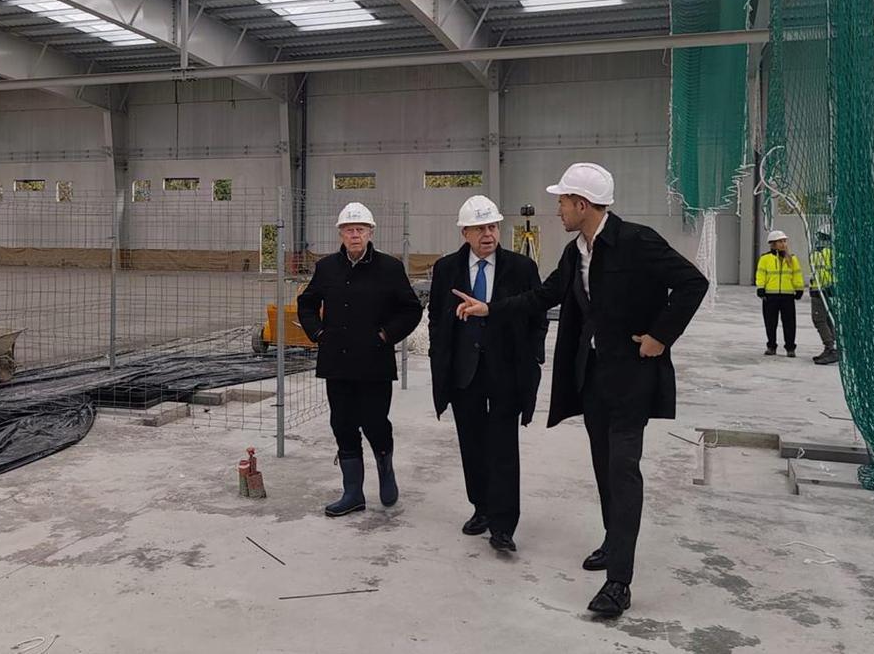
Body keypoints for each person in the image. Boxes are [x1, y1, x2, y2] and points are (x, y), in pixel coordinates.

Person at [453, 163, 708, 618]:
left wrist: (660, 335)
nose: (557, 210)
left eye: (563, 202)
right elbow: (544, 295)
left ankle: (619, 584)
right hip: (593, 379)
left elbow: (693, 282)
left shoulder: (638, 241)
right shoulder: (577, 252)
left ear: (583, 204)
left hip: (632, 379)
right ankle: (614, 542)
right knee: (605, 468)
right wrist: (490, 309)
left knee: (624, 470)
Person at [428, 195, 547, 554]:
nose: (488, 234)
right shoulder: (446, 269)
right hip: (465, 373)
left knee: (504, 447)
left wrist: (533, 358)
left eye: (492, 226)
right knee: (472, 444)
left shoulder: (521, 268)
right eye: (479, 228)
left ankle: (503, 525)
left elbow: (537, 317)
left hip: (506, 373)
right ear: (464, 232)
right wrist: (441, 358)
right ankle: (481, 507)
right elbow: (436, 317)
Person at [297, 202, 423, 517]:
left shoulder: (389, 268)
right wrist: (319, 334)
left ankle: (385, 468)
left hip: (375, 363)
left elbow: (411, 308)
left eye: (360, 230)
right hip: (337, 363)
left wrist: (385, 335)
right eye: (349, 230)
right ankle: (353, 492)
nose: (355, 235)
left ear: (370, 232)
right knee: (342, 423)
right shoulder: (326, 268)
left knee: (375, 422)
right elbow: (307, 303)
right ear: (340, 233)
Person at [755, 231, 804, 357]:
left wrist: (799, 288)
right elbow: (761, 274)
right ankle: (771, 346)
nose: (783, 244)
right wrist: (760, 287)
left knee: (789, 323)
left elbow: (797, 274)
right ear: (772, 244)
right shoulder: (765, 258)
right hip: (770, 295)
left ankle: (790, 348)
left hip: (787, 296)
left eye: (784, 241)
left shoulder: (792, 258)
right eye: (780, 241)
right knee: (770, 323)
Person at [809, 227, 839, 365]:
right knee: (829, 319)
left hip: (821, 290)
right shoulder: (835, 253)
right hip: (831, 290)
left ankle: (830, 348)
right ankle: (832, 348)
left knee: (819, 320)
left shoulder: (820, 253)